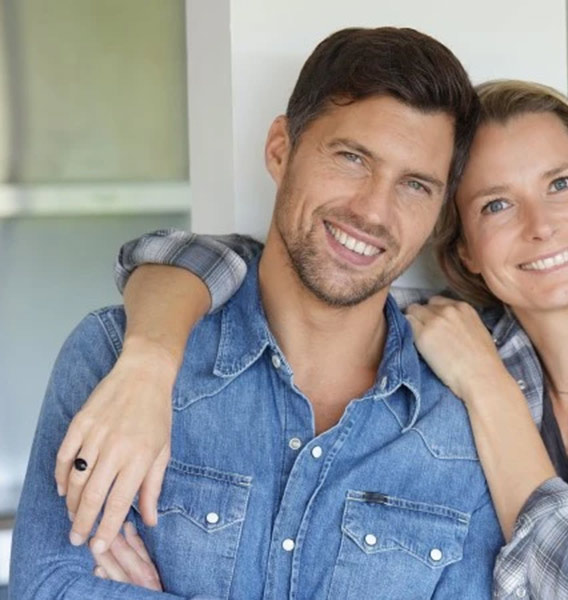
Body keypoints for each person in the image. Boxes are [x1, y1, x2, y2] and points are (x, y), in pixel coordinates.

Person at [10, 27, 507, 599]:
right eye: (351, 158)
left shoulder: (459, 426)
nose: (373, 209)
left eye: (415, 185)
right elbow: (47, 589)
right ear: (280, 149)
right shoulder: (114, 357)